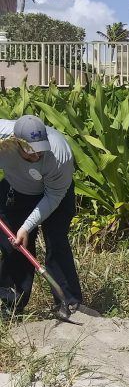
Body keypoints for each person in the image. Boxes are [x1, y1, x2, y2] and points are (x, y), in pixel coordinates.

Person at [0, 114, 82, 313]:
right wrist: (20, 232)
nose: (37, 156)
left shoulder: (59, 153)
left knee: (56, 241)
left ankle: (69, 302)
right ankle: (12, 302)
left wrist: (27, 227)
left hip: (54, 195)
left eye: (40, 150)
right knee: (14, 245)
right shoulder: (3, 135)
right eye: (31, 152)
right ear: (15, 142)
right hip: (16, 191)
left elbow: (53, 197)